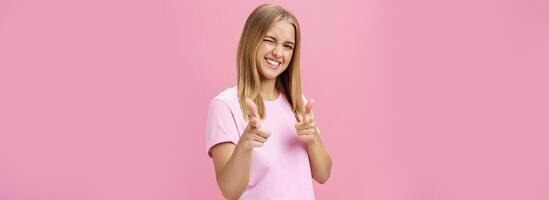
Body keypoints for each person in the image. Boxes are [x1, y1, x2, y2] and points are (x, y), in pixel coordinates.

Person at [205, 4, 332, 200]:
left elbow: (323, 175)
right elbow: (230, 191)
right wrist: (245, 144)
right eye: (270, 40)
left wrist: (313, 138)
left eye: (287, 46)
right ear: (251, 40)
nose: (278, 53)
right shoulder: (225, 105)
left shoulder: (298, 104)